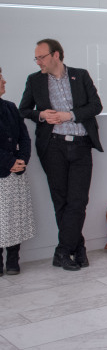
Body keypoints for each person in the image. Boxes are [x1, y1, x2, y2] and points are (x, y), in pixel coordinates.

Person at [19, 38, 103, 271]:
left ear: (56, 55)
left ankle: (63, 251)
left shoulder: (81, 75)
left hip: (81, 144)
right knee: (62, 201)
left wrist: (70, 115)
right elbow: (24, 109)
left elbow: (96, 106)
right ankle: (78, 248)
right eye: (36, 58)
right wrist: (42, 115)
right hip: (52, 146)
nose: (38, 62)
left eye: (41, 57)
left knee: (78, 200)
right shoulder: (35, 80)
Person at [0, 68, 36, 275]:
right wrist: (9, 162)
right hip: (4, 170)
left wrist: (22, 160)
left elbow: (24, 138)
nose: (4, 81)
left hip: (15, 173)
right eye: (1, 78)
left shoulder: (10, 107)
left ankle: (13, 260)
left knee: (15, 217)